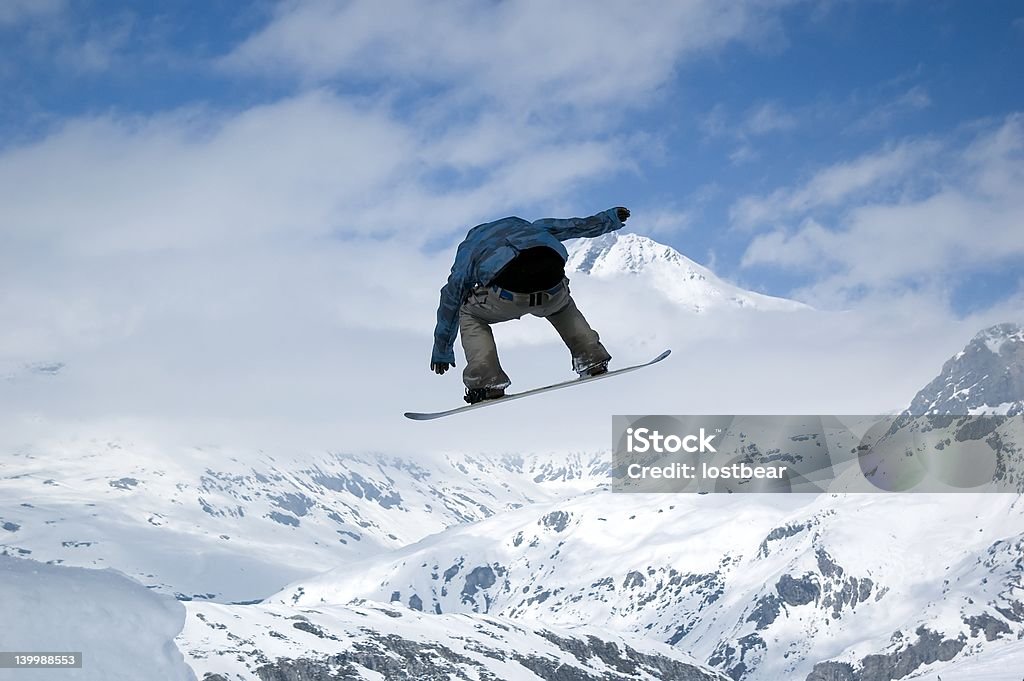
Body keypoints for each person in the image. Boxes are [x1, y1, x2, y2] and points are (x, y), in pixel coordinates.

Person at [430, 206, 630, 403]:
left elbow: (453, 293)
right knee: (562, 306)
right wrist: (610, 218)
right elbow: (576, 226)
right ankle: (591, 358)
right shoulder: (534, 227)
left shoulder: (471, 246)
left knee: (469, 313)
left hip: (508, 294)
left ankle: (486, 381)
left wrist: (442, 350)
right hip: (553, 286)